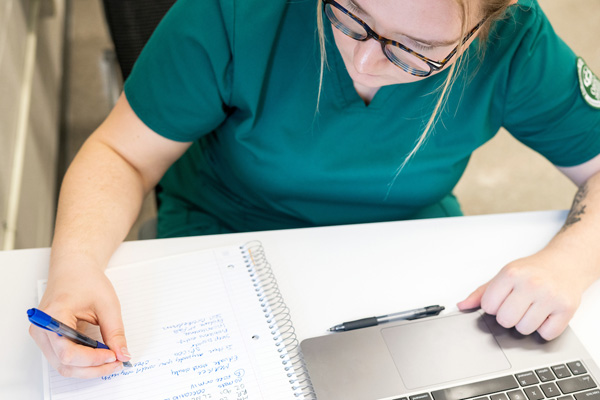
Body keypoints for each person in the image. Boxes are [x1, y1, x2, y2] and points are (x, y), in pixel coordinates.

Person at [30, 0, 600, 379]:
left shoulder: (516, 41)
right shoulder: (236, 11)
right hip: (226, 228)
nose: (365, 59)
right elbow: (121, 153)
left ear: (483, 33)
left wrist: (572, 260)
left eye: (414, 50)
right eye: (350, 15)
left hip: (402, 242)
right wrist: (75, 266)